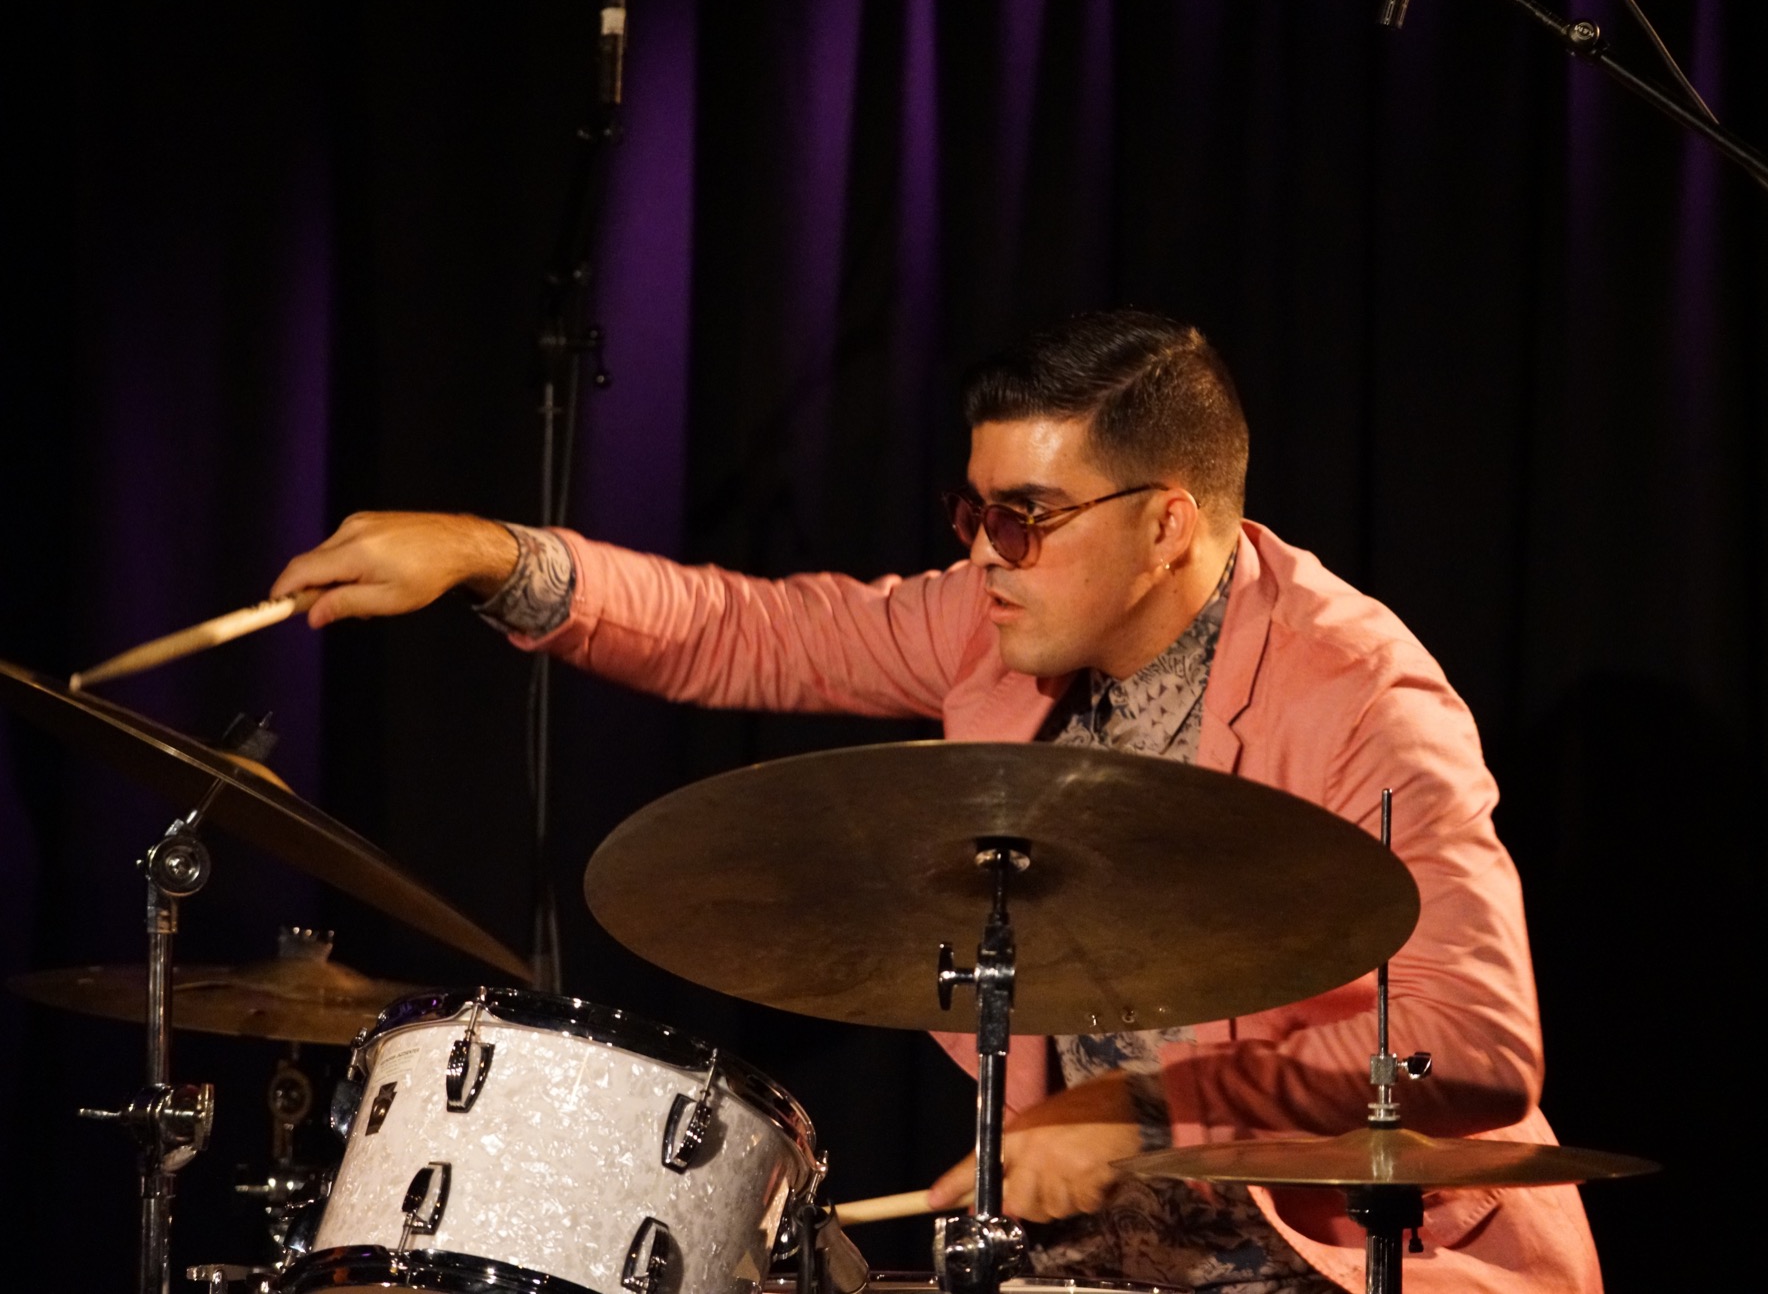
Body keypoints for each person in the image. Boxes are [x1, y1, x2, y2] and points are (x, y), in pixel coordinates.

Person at [273, 309, 1601, 1294]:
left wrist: (1142, 1112)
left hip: (1346, 1260)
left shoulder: (1364, 697)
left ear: (1166, 525)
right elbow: (756, 631)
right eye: (972, 512)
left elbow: (1474, 1041)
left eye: (1026, 517)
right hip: (1094, 1254)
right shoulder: (998, 624)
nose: (982, 555)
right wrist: (493, 557)